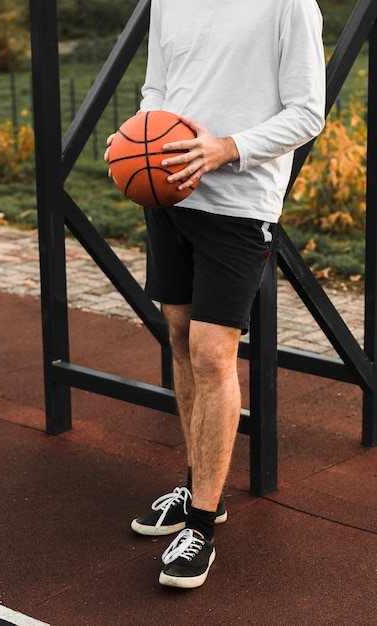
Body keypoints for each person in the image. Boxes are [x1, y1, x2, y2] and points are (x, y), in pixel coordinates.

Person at [105, 0, 325, 589]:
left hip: (239, 204)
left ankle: (202, 521)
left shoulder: (290, 5)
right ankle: (198, 484)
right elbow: (156, 90)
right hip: (171, 194)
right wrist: (138, 143)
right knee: (179, 338)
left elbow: (307, 114)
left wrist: (223, 148)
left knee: (211, 353)